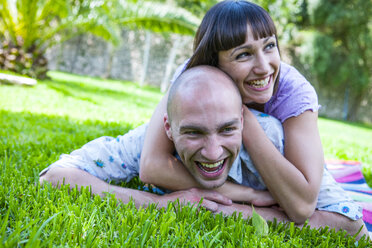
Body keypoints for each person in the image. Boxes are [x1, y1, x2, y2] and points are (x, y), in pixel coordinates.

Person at [39, 65, 368, 238]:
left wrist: (233, 211)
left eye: (227, 130)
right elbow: (53, 176)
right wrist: (159, 204)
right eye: (194, 132)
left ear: (243, 122)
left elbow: (352, 226)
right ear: (168, 128)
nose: (212, 153)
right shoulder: (146, 142)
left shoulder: (275, 142)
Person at [139, 0, 369, 238]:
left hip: (283, 172)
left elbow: (301, 207)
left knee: (347, 224)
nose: (263, 67)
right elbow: (152, 166)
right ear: (212, 63)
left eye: (269, 46)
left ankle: (222, 210)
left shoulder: (293, 92)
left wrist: (244, 120)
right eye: (244, 54)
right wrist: (249, 196)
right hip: (233, 174)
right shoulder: (193, 79)